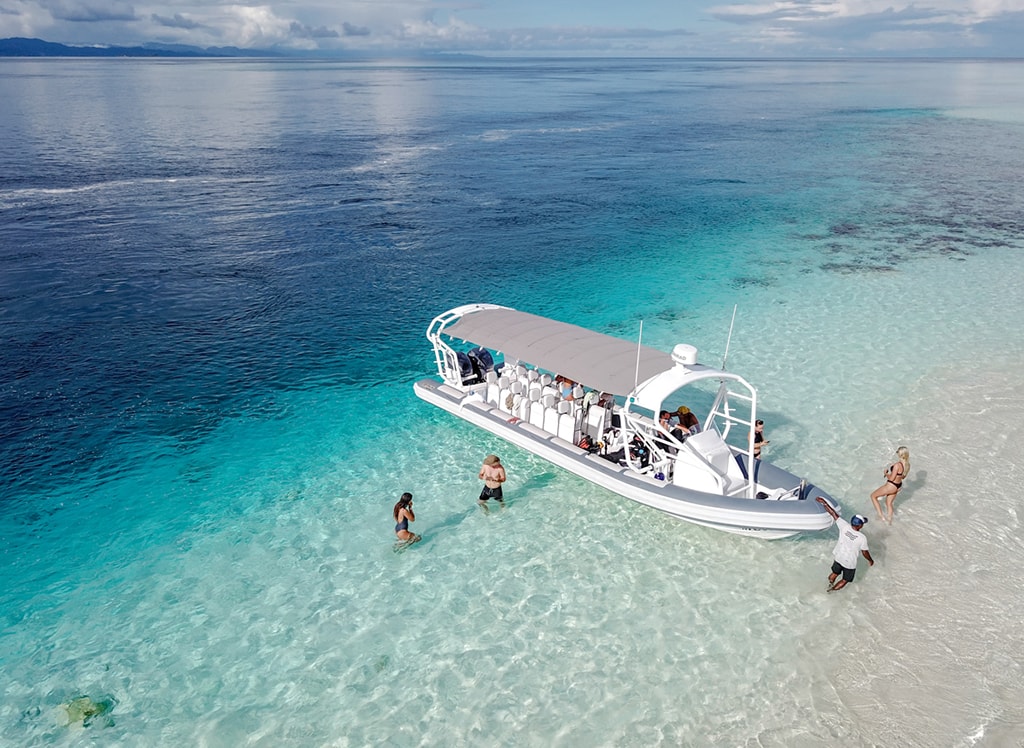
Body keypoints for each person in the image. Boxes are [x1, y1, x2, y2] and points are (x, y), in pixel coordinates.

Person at [815, 497, 874, 592]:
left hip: (839, 556)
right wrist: (870, 560)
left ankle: (829, 583)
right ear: (860, 525)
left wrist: (824, 503)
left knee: (834, 573)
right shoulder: (862, 537)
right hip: (849, 563)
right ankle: (830, 591)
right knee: (845, 580)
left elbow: (833, 513)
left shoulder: (844, 526)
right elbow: (864, 552)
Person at [870, 446, 910, 524]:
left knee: (873, 496)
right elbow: (903, 477)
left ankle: (881, 516)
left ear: (900, 454)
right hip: (898, 486)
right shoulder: (907, 465)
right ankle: (889, 521)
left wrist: (886, 473)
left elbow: (891, 478)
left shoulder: (897, 465)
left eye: (897, 452)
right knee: (889, 503)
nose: (897, 453)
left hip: (891, 486)